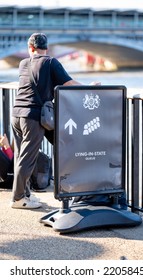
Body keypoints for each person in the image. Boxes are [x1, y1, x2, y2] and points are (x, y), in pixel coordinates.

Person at [10, 32, 91, 209]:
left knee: (21, 156)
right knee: (27, 159)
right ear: (46, 48)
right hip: (33, 116)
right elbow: (68, 84)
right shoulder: (51, 62)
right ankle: (18, 199)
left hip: (16, 114)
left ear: (31, 48)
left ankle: (26, 195)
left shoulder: (23, 63)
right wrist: (90, 88)